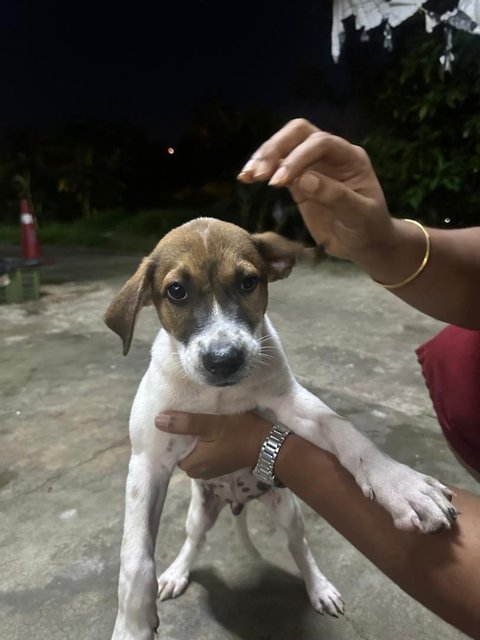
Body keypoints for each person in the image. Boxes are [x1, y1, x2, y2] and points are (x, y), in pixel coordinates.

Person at [155, 119, 480, 639]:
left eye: (246, 282)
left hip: (270, 479)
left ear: (274, 270)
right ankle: (186, 558)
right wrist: (384, 239)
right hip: (213, 484)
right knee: (196, 526)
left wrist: (271, 448)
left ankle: (310, 571)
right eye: (177, 292)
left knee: (291, 527)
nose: (221, 345)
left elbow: (294, 405)